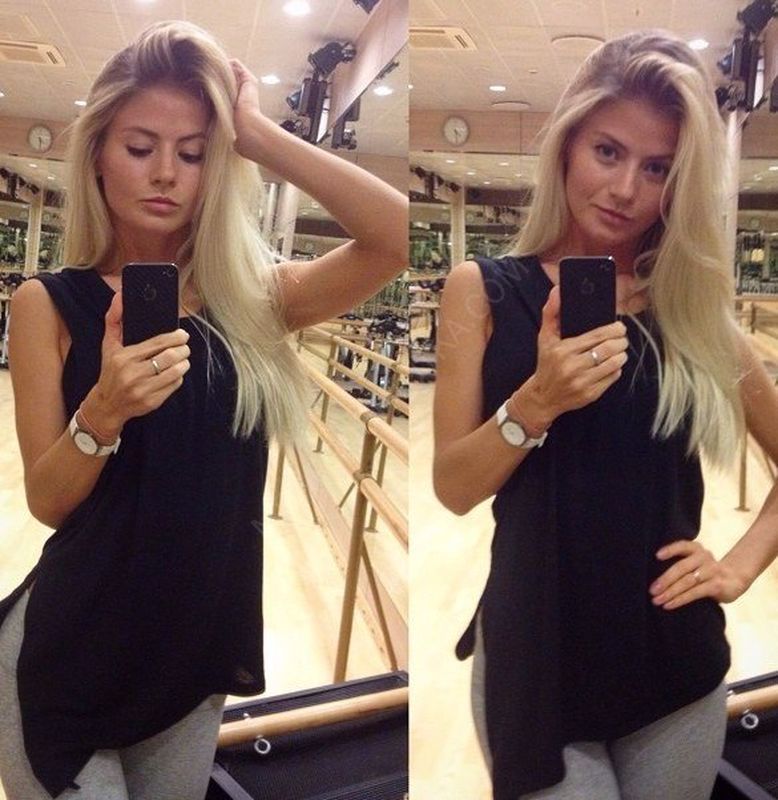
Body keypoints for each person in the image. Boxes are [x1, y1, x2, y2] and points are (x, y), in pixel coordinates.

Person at [0, 20, 406, 800]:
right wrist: (102, 414)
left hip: (189, 667)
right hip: (66, 662)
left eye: (193, 153)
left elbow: (391, 237)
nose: (166, 173)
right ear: (98, 153)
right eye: (140, 146)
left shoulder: (254, 302)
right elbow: (49, 503)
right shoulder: (45, 305)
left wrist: (257, 136)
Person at [433, 30, 778, 800]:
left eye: (656, 168)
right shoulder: (482, 291)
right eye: (608, 152)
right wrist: (537, 402)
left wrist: (739, 566)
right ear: (566, 145)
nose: (625, 188)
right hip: (535, 659)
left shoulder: (690, 311)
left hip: (671, 656)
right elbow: (454, 487)